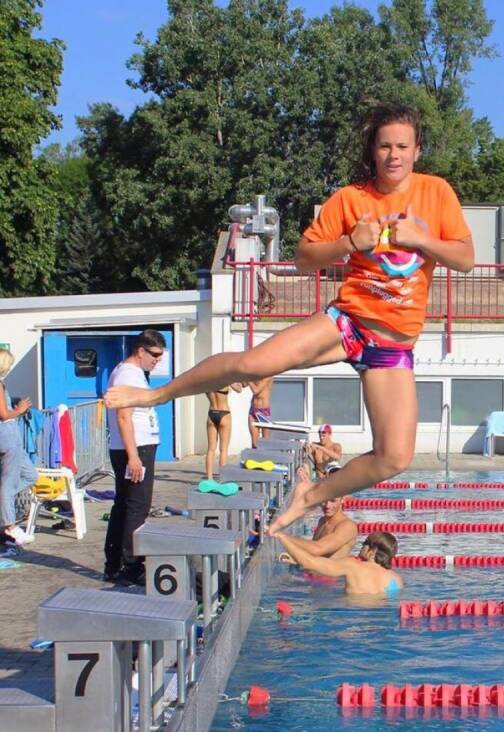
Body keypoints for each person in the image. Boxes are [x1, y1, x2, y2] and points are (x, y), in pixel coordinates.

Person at [104, 102, 474, 537]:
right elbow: (303, 259)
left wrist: (424, 238)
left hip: (391, 346)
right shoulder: (351, 199)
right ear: (372, 151)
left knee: (395, 457)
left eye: (402, 147)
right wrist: (347, 243)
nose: (394, 155)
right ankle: (156, 395)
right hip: (348, 321)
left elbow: (465, 258)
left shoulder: (436, 193)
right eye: (385, 146)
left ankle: (311, 496)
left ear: (417, 150)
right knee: (253, 364)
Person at [104, 330, 165, 584]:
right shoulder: (128, 374)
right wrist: (133, 456)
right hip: (135, 448)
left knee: (125, 504)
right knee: (137, 506)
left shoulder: (131, 372)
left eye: (161, 356)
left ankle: (115, 563)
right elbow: (123, 416)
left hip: (135, 447)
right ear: (140, 350)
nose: (157, 360)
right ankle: (131, 564)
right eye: (154, 355)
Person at [277, 528, 403, 597]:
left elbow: (309, 563)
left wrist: (282, 538)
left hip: (351, 617)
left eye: (365, 544)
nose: (362, 546)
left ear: (373, 550)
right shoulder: (396, 579)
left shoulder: (352, 566)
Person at [0, 348, 38, 549]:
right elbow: (4, 415)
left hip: (11, 439)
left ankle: (4, 506)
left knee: (30, 475)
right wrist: (20, 409)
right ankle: (9, 525)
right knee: (7, 484)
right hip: (7, 438)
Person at [277, 467, 356, 562]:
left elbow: (317, 549)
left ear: (342, 499)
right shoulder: (322, 521)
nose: (327, 505)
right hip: (315, 574)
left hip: (331, 576)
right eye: (324, 500)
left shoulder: (347, 526)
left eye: (333, 500)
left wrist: (282, 536)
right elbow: (313, 555)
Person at [205, 383, 242, 479]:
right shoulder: (224, 379)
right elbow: (239, 389)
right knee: (223, 449)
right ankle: (222, 478)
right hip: (224, 413)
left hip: (211, 413)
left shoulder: (206, 381)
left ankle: (209, 478)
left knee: (210, 449)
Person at [246, 377, 274, 446]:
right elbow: (241, 386)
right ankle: (254, 456)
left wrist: (249, 379)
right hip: (253, 410)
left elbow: (256, 390)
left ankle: (265, 456)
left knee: (265, 441)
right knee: (254, 443)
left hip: (264, 411)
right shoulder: (255, 375)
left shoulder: (268, 376)